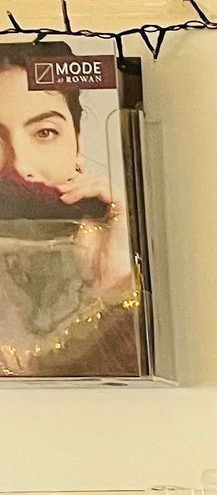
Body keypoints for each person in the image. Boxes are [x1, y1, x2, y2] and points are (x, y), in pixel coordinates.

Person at [0, 40, 140, 376]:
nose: (21, 166)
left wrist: (115, 288)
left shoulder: (114, 259)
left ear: (78, 144)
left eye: (45, 132)